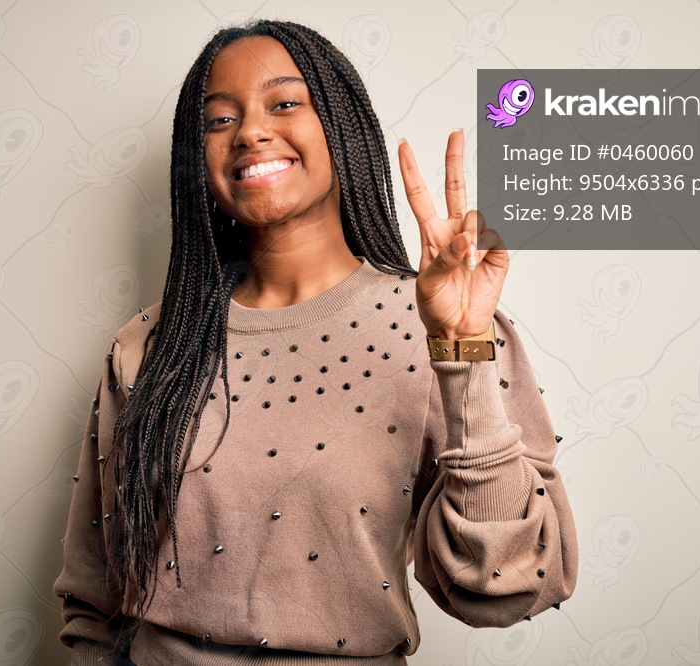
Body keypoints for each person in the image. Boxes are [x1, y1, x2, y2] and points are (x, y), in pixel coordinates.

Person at [54, 19, 577, 665]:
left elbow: (504, 587)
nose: (249, 131)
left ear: (342, 127)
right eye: (219, 120)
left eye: (284, 103)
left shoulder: (447, 326)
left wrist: (461, 353)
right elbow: (94, 601)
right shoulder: (147, 345)